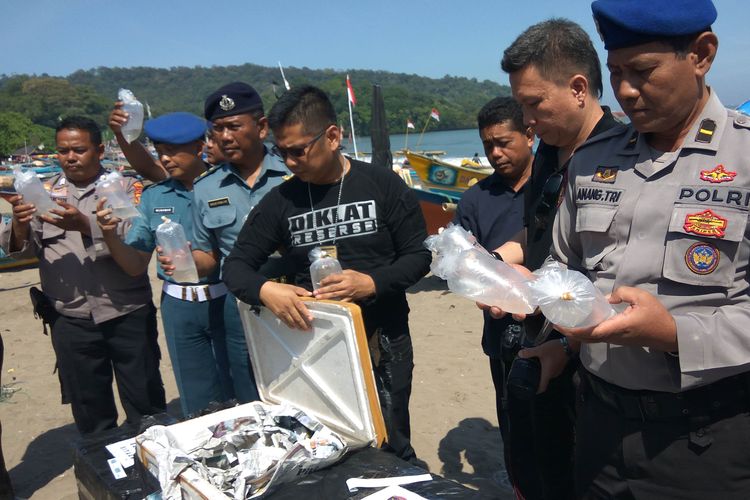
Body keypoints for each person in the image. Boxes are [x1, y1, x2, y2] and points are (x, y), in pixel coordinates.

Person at [547, 1, 750, 496]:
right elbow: (562, 264)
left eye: (642, 71)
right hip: (598, 426)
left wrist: (677, 334)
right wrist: (552, 318)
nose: (624, 91)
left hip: (707, 439)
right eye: (615, 72)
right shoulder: (590, 162)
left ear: (701, 55)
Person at [223, 85, 431, 462]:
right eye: (281, 152)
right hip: (312, 345)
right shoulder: (281, 202)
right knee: (324, 445)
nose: (289, 162)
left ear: (333, 136)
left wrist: (371, 282)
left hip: (383, 338)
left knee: (390, 440)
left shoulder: (382, 186)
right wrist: (267, 291)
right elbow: (235, 267)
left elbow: (419, 256)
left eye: (298, 150)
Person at [486, 19, 623, 499]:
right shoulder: (548, 149)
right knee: (531, 467)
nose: (526, 119)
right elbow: (543, 228)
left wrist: (539, 287)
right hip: (533, 339)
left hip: (587, 359)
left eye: (533, 103)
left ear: (579, 89)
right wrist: (508, 254)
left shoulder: (622, 156)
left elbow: (616, 270)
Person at [0, 116, 165, 435]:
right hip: (70, 318)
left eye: (78, 149)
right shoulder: (41, 192)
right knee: (91, 412)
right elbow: (23, 249)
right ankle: (103, 476)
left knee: (146, 406)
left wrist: (85, 226)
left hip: (126, 312)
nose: (70, 157)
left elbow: (134, 243)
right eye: (63, 151)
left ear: (100, 150)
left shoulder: (127, 188)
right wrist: (20, 224)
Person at [96, 112, 232, 417]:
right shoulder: (153, 197)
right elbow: (134, 265)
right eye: (160, 151)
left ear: (199, 146)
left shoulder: (226, 185)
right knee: (197, 398)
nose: (165, 159)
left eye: (173, 150)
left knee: (241, 386)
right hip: (180, 308)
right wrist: (109, 236)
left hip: (227, 299)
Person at [190, 82, 290, 403]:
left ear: (261, 128)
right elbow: (206, 257)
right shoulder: (205, 189)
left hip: (298, 298)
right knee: (251, 395)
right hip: (241, 310)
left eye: (234, 126)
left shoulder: (293, 174)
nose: (224, 136)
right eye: (217, 128)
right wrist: (182, 261)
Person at [452, 96, 533, 484]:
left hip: (557, 327)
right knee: (512, 420)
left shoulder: (558, 184)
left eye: (504, 142)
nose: (495, 153)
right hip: (502, 331)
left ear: (530, 134)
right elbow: (464, 269)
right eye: (488, 145)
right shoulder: (474, 199)